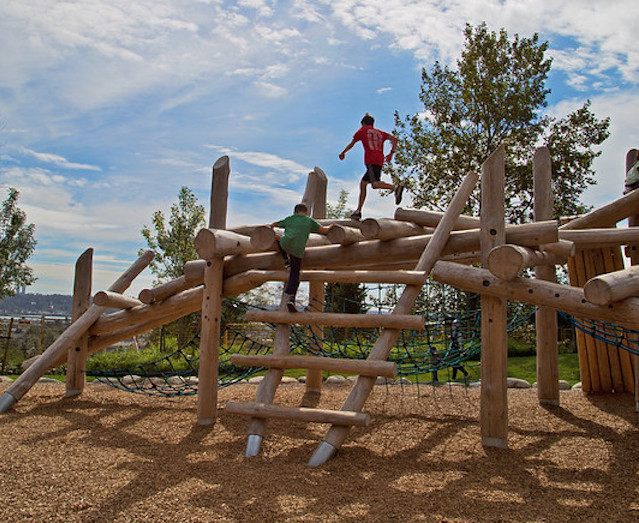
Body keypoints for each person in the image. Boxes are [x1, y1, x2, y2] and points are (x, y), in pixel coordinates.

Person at [339, 113, 404, 220]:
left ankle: (395, 187)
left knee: (375, 184)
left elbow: (352, 143)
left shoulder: (361, 131)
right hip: (379, 159)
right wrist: (391, 154)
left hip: (371, 159)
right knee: (363, 183)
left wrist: (343, 153)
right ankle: (358, 211)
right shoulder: (380, 132)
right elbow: (395, 139)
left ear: (363, 123)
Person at [270, 203, 331, 312]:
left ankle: (285, 259)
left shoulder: (290, 218)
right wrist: (332, 227)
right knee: (295, 273)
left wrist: (269, 226)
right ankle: (292, 298)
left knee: (277, 238)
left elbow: (276, 224)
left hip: (285, 244)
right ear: (306, 212)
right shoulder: (309, 220)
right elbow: (323, 230)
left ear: (295, 211)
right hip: (298, 250)